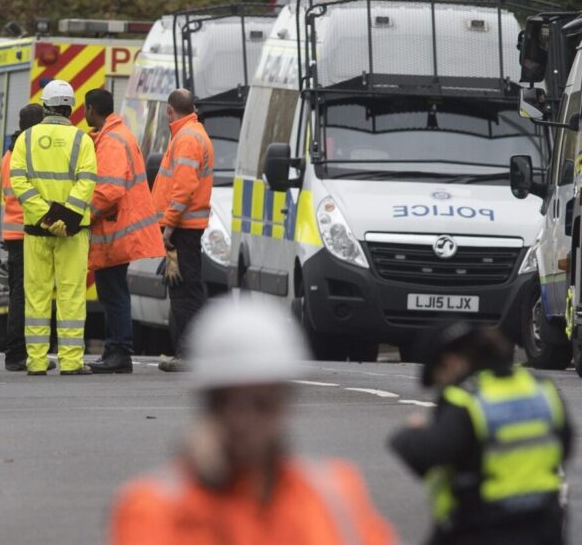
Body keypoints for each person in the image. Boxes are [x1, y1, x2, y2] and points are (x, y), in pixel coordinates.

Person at [109, 299, 396, 545]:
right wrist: (206, 487)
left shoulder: (337, 494)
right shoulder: (153, 507)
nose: (242, 419)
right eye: (225, 401)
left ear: (285, 404)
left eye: (262, 403)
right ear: (206, 406)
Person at [389, 323, 572, 545]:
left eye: (438, 377)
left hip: (483, 528)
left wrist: (410, 432)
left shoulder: (467, 400)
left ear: (451, 363)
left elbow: (429, 453)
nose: (440, 387)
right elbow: (565, 445)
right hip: (544, 525)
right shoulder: (541, 389)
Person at [9, 79, 97, 376]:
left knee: (36, 294)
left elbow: (18, 182)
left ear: (45, 106)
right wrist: (67, 218)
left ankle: (36, 361)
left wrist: (44, 215)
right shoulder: (82, 140)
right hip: (73, 232)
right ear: (71, 108)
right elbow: (87, 181)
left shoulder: (26, 139)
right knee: (71, 295)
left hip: (37, 231)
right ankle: (71, 362)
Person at [83, 88, 164, 374]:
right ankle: (114, 349)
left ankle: (119, 351)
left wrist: (82, 215)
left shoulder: (113, 141)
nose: (84, 114)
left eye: (85, 109)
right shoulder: (115, 135)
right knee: (112, 292)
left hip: (115, 229)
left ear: (92, 109)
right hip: (118, 228)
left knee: (113, 293)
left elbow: (109, 189)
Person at [151, 89, 213, 372]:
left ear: (169, 110)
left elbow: (184, 189)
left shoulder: (187, 138)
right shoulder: (191, 133)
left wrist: (169, 226)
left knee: (185, 292)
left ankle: (191, 355)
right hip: (185, 227)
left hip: (182, 229)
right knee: (185, 290)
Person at [0, 103, 49, 372]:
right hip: (26, 230)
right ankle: (17, 353)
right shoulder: (26, 154)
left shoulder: (10, 153)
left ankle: (19, 352)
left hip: (14, 231)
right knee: (23, 296)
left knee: (20, 293)